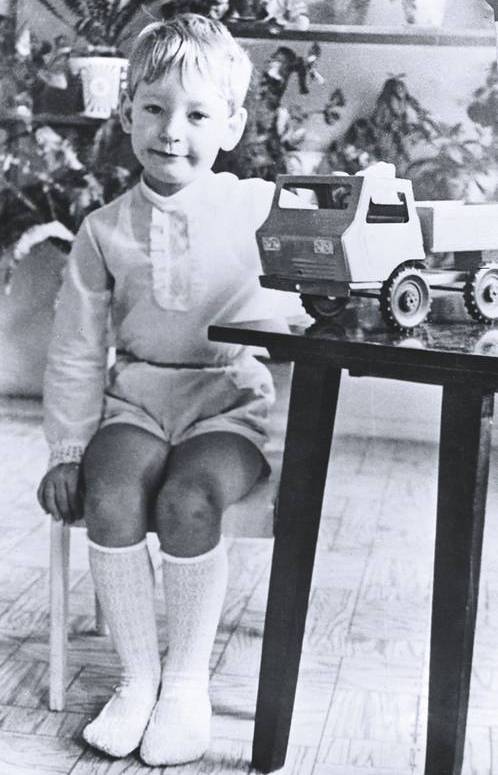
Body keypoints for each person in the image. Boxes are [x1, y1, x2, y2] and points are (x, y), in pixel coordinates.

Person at [37, 12, 301, 767]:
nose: (172, 131)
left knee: (189, 499)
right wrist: (67, 450)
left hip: (229, 401)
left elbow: (322, 279)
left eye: (197, 115)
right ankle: (138, 679)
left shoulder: (258, 208)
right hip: (139, 400)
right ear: (126, 114)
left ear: (233, 125)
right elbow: (76, 348)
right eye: (153, 108)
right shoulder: (103, 230)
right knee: (109, 492)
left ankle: (184, 687)